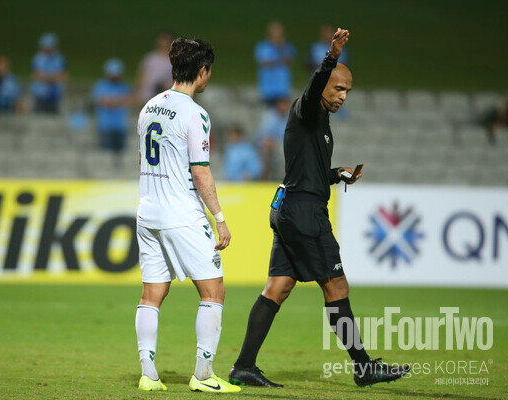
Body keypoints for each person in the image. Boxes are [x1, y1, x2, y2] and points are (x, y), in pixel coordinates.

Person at [229, 28, 410, 389]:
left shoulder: (319, 121)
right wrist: (331, 57)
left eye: (348, 91)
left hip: (289, 205)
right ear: (324, 84)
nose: (343, 96)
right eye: (338, 88)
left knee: (277, 288)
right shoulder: (307, 108)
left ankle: (244, 367)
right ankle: (363, 367)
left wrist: (335, 173)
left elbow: (306, 170)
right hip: (305, 214)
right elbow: (313, 90)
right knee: (336, 286)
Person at [135, 37, 240, 394]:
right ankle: (204, 373)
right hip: (181, 214)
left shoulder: (149, 106)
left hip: (147, 213)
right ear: (202, 71)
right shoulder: (195, 113)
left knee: (152, 294)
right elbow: (201, 172)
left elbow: (141, 160)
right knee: (214, 291)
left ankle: (148, 375)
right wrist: (219, 217)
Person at [91, 58, 133, 158]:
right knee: (105, 155)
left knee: (121, 155)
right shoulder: (100, 85)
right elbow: (103, 102)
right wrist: (120, 101)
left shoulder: (124, 86)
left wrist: (113, 101)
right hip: (105, 126)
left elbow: (131, 100)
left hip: (121, 126)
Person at [255, 21, 296, 106]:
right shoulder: (262, 47)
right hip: (268, 90)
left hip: (283, 89)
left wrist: (280, 47)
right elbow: (264, 62)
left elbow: (289, 61)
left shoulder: (287, 47)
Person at [30, 32, 67, 113]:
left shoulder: (59, 58)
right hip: (40, 94)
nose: (48, 49)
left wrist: (45, 77)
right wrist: (52, 77)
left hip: (55, 94)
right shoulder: (37, 58)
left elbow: (63, 75)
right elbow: (35, 75)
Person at [255, 97, 290, 180]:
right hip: (272, 145)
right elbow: (265, 136)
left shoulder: (291, 116)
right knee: (265, 152)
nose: (283, 106)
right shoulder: (270, 116)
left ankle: (286, 180)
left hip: (285, 145)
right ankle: (264, 181)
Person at [136, 32, 173, 104]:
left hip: (165, 96)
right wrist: (137, 91)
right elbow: (141, 76)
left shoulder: (174, 60)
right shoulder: (150, 58)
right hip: (147, 95)